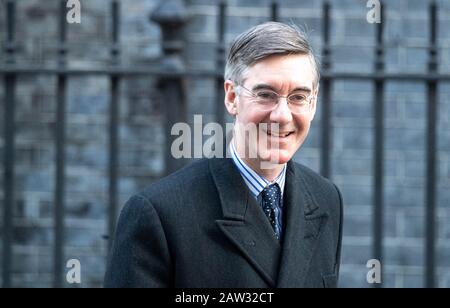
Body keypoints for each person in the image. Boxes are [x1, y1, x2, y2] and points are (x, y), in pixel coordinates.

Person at [104, 22, 343, 288]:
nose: (282, 115)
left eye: (298, 97)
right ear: (232, 97)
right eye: (265, 95)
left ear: (313, 103)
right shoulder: (159, 215)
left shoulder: (327, 199)